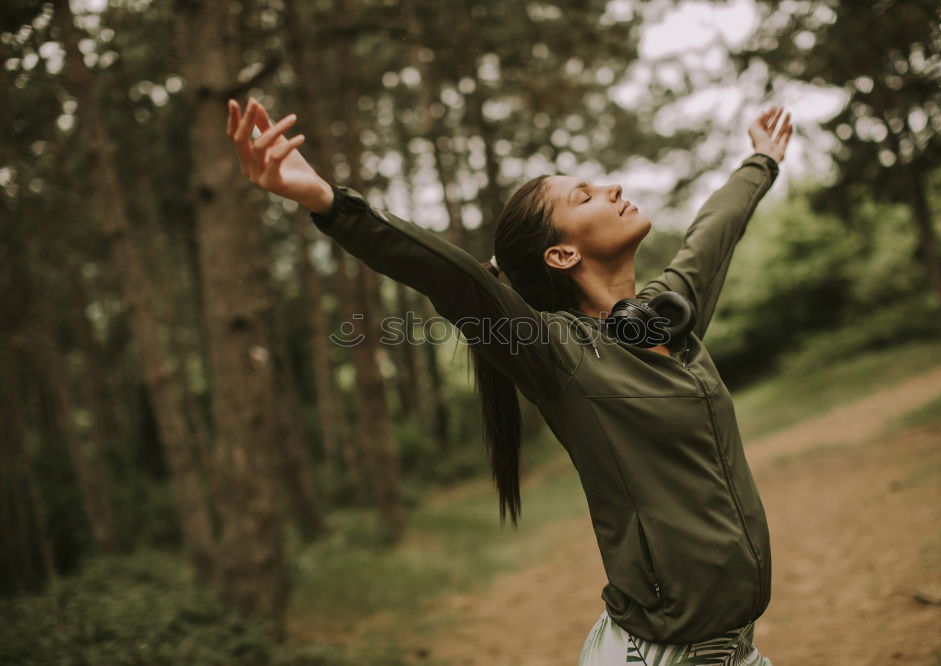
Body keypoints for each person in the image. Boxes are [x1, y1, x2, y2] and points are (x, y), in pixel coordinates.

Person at [226, 97, 793, 665]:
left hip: (733, 650)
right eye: (585, 195)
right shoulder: (558, 352)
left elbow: (713, 233)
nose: (613, 188)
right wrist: (328, 201)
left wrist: (760, 161)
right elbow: (454, 278)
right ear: (562, 253)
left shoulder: (667, 314)